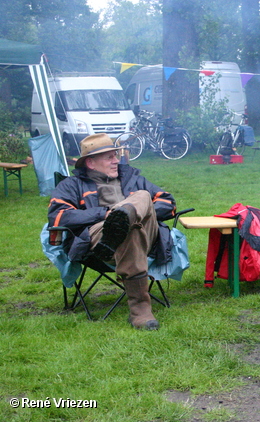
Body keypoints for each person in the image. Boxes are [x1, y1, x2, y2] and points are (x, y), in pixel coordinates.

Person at [48, 133, 176, 330]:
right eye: (109, 157)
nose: (116, 160)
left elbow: (168, 203)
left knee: (141, 197)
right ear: (90, 163)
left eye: (116, 155)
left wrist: (142, 212)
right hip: (99, 238)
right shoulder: (72, 185)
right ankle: (140, 312)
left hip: (146, 237)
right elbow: (59, 217)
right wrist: (105, 213)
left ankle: (126, 217)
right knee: (128, 229)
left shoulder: (134, 180)